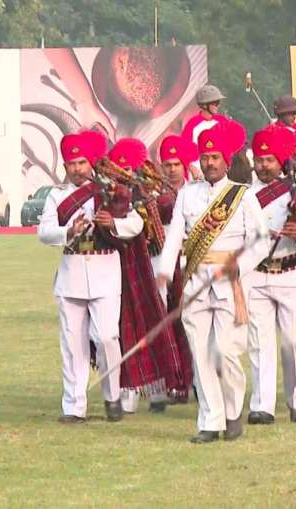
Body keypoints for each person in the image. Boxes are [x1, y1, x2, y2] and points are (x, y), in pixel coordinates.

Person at [156, 119, 270, 444]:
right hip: (195, 280)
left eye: (215, 157)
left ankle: (233, 411)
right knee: (200, 353)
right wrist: (165, 273)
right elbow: (175, 235)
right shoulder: (187, 195)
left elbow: (260, 241)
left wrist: (239, 267)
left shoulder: (243, 196)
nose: (209, 163)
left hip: (230, 284)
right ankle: (210, 420)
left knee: (226, 352)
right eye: (205, 158)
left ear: (226, 161)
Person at [37, 130, 145, 424]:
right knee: (72, 345)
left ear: (91, 163)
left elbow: (136, 222)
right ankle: (74, 406)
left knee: (107, 336)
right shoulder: (57, 195)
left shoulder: (110, 190)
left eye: (82, 162)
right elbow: (44, 232)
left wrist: (114, 223)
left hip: (105, 271)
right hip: (71, 271)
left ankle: (112, 396)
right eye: (71, 163)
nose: (77, 169)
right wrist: (67, 232)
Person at [245, 125, 296, 425]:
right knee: (259, 342)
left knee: (293, 341)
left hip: (293, 272)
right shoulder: (245, 194)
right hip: (256, 274)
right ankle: (262, 405)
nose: (263, 165)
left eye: (269, 160)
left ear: (280, 161)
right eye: (259, 159)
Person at [106, 138, 186, 416]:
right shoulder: (113, 190)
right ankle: (130, 391)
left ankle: (160, 389)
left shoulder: (153, 189)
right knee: (125, 325)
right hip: (122, 264)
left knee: (155, 321)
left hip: (154, 262)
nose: (123, 171)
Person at [153, 134, 198, 404]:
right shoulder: (152, 193)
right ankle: (168, 383)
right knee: (163, 324)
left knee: (189, 324)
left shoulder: (197, 192)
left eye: (175, 164)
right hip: (162, 264)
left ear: (184, 165)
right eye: (167, 165)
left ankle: (193, 381)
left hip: (190, 263)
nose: (171, 170)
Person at [181, 84, 229, 180]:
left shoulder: (223, 121)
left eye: (218, 102)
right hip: (199, 175)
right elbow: (183, 152)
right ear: (203, 105)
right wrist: (192, 168)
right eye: (215, 103)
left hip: (220, 174)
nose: (217, 105)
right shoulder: (192, 125)